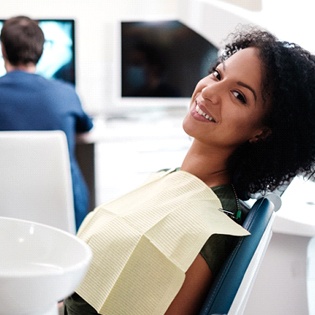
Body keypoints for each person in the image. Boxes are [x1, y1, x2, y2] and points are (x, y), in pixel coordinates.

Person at [64, 25, 315, 314]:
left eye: (238, 95)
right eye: (218, 74)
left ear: (262, 132)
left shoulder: (208, 231)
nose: (209, 91)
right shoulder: (170, 177)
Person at [0, 16, 93, 230]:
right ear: (41, 51)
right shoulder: (66, 93)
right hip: (61, 210)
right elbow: (86, 128)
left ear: (3, 50)